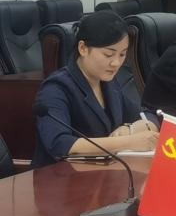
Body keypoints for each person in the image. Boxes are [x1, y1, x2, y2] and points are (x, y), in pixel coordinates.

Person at [33, 11, 159, 167]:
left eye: (122, 55)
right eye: (108, 55)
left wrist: (130, 129)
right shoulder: (56, 88)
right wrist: (128, 141)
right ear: (83, 48)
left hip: (102, 173)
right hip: (58, 176)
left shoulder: (108, 83)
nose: (116, 63)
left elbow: (149, 115)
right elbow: (59, 143)